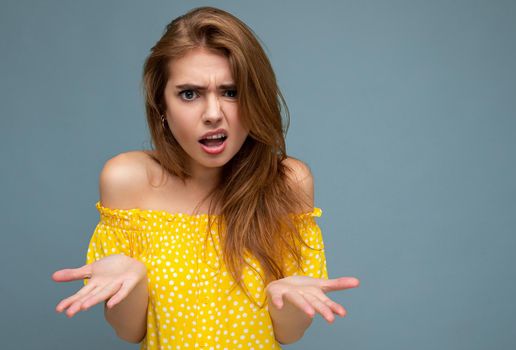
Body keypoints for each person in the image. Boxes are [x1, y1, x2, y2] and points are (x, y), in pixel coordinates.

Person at [52, 6, 360, 349]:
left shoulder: (288, 181)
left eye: (231, 92)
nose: (213, 114)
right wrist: (133, 280)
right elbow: (130, 332)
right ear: (161, 106)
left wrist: (284, 297)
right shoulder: (126, 179)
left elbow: (289, 333)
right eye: (189, 94)